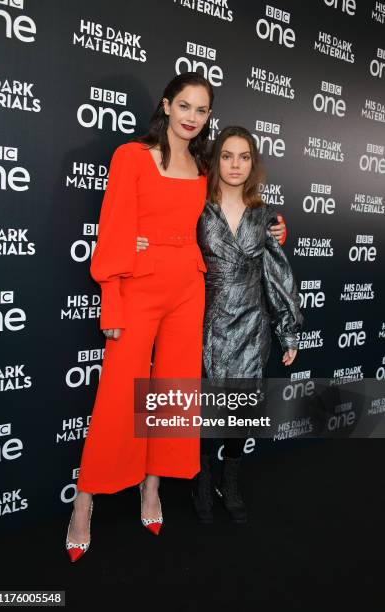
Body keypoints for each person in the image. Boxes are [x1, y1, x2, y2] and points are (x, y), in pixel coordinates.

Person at [65, 72, 215, 562]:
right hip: (138, 287)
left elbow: (234, 211)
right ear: (167, 106)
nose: (193, 117)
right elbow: (113, 227)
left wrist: (274, 227)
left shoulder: (204, 166)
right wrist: (111, 295)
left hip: (188, 288)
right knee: (116, 396)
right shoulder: (132, 156)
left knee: (171, 391)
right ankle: (83, 501)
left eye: (202, 110)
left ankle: (151, 489)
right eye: (186, 106)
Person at [137, 126, 302, 525]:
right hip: (202, 321)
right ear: (216, 162)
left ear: (253, 163)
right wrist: (139, 241)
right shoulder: (197, 205)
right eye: (227, 155)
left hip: (250, 325)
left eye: (244, 157)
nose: (235, 164)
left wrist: (288, 328)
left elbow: (277, 275)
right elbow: (167, 234)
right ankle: (202, 478)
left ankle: (231, 480)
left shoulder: (265, 215)